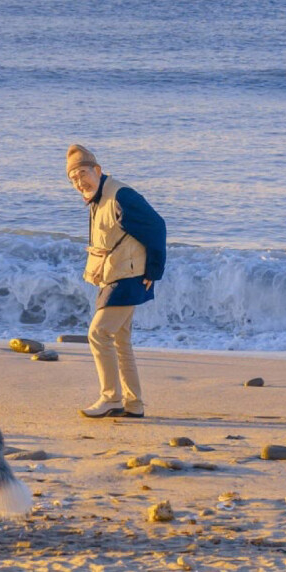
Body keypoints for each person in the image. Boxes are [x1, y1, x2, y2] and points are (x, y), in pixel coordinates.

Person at [66, 144, 166, 419]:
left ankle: (110, 398)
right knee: (120, 340)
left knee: (98, 334)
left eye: (83, 174)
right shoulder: (98, 197)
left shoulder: (121, 196)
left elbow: (157, 227)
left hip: (129, 277)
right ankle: (134, 405)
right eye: (73, 178)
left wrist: (154, 272)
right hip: (115, 276)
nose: (79, 182)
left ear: (97, 170)